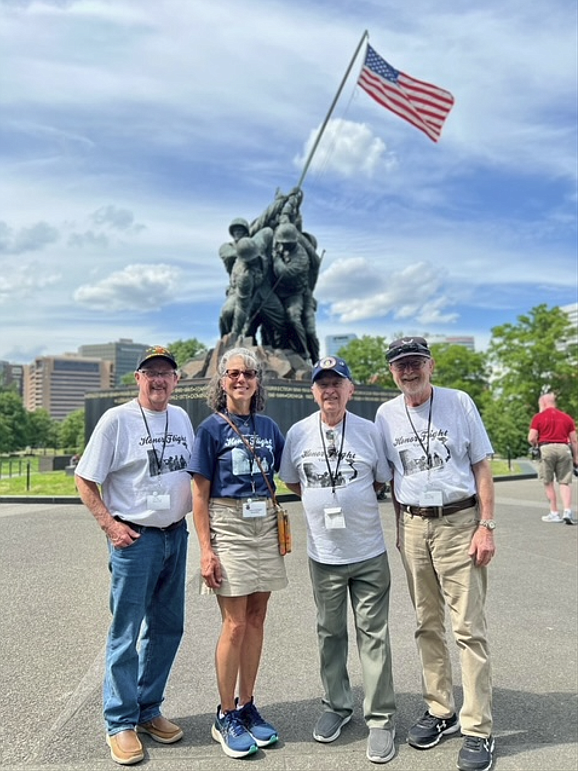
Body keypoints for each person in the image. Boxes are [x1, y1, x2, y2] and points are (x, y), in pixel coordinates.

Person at [374, 337, 496, 771]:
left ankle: (478, 726)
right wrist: (399, 529)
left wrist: (486, 525)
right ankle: (440, 709)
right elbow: (391, 478)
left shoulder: (459, 402)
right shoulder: (386, 413)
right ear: (392, 372)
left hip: (460, 522)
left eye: (415, 363)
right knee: (427, 624)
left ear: (431, 365)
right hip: (413, 525)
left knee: (468, 628)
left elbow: (481, 464)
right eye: (400, 365)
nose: (408, 370)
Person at [75, 345, 195, 766]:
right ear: (139, 379)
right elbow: (85, 479)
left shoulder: (180, 417)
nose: (159, 380)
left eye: (166, 373)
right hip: (136, 539)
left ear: (176, 380)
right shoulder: (116, 419)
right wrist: (110, 525)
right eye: (151, 373)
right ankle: (120, 721)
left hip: (174, 536)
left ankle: (147, 709)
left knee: (167, 628)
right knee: (126, 633)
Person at [279, 356, 397, 764]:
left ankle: (381, 717)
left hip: (368, 552)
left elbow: (381, 478)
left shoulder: (369, 432)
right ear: (313, 391)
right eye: (322, 384)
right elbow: (293, 480)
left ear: (351, 389)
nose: (330, 391)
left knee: (373, 635)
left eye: (337, 383)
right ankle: (337, 706)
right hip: (324, 555)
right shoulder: (298, 433)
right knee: (330, 634)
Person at [188, 347, 287, 759]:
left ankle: (247, 705)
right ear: (222, 381)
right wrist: (206, 550)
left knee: (257, 617)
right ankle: (225, 713)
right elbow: (199, 493)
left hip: (264, 521)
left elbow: (290, 473)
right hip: (227, 523)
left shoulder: (268, 426)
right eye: (232, 374)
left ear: (257, 382)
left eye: (247, 373)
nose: (240, 379)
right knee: (233, 623)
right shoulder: (210, 429)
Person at [528, 392, 578, 524]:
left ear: (543, 403)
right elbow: (574, 440)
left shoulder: (539, 417)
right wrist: (576, 458)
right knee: (564, 481)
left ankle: (554, 512)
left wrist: (535, 444)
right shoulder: (567, 418)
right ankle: (567, 511)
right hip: (564, 449)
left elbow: (531, 437)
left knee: (548, 481)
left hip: (546, 449)